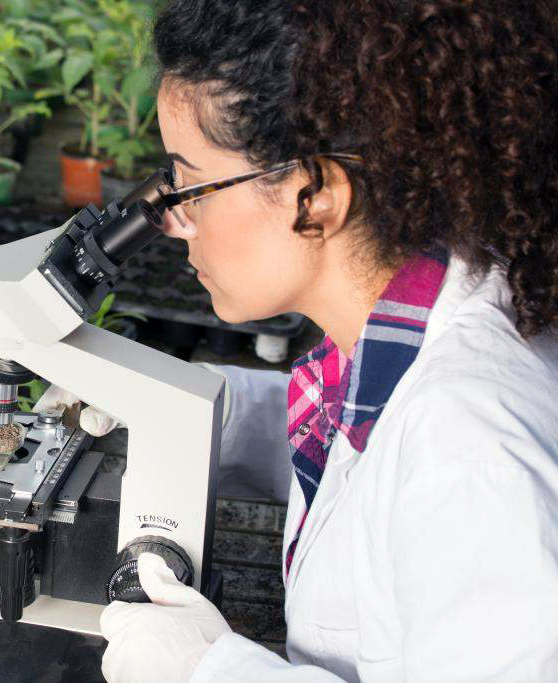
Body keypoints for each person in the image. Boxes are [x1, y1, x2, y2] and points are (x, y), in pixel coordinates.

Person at [38, 1, 558, 680]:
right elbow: (371, 482)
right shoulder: (413, 318)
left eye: (191, 186)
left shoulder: (471, 446)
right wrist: (184, 412)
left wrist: (209, 669)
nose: (171, 224)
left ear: (315, 197)